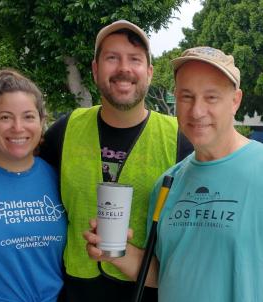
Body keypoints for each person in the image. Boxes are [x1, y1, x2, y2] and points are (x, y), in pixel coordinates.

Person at [84, 46, 263, 301]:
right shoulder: (168, 183)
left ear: (235, 100)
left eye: (211, 97)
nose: (197, 111)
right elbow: (164, 272)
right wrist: (115, 250)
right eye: (186, 96)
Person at [40, 19, 192, 302]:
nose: (124, 68)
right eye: (112, 58)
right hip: (75, 292)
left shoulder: (180, 139)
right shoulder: (64, 130)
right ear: (95, 70)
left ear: (149, 71)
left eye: (134, 59)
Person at [0, 69, 67, 301]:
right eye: (5, 117)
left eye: (28, 116)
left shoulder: (59, 179)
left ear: (42, 121)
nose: (18, 127)